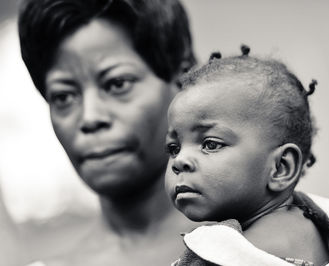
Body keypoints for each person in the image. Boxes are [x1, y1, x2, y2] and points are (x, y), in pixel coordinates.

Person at [164, 46, 329, 265]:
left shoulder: (219, 255)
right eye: (173, 148)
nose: (180, 160)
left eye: (211, 144)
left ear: (282, 167)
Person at [18, 0, 197, 264]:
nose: (90, 117)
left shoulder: (255, 250)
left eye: (117, 84)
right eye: (64, 97)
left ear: (184, 78)